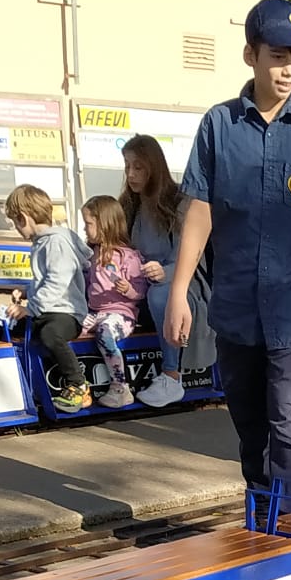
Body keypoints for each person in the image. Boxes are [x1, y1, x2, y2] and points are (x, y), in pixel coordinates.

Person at [169, 0, 291, 489]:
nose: (288, 69)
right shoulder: (219, 125)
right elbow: (199, 212)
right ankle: (262, 527)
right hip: (235, 309)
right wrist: (178, 292)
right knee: (250, 429)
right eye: (277, 56)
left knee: (290, 425)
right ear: (250, 54)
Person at [0, 185, 92, 414]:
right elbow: (43, 280)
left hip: (67, 313)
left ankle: (78, 384)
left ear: (24, 218)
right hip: (48, 309)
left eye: (14, 222)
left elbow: (57, 282)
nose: (15, 228)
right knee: (2, 327)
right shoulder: (42, 242)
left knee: (51, 335)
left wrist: (30, 307)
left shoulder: (56, 243)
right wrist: (26, 291)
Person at [119, 134, 194, 407]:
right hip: (135, 287)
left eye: (138, 167)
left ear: (153, 166)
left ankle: (171, 376)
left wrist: (167, 272)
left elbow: (191, 256)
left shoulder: (178, 203)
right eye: (127, 167)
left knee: (161, 294)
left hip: (181, 288)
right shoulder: (128, 205)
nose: (131, 174)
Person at [79, 195, 148, 409]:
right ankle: (78, 385)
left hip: (121, 314)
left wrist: (129, 289)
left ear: (105, 224)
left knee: (105, 334)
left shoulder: (127, 257)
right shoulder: (91, 254)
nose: (84, 229)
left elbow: (141, 291)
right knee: (72, 327)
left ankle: (120, 387)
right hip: (95, 311)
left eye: (88, 224)